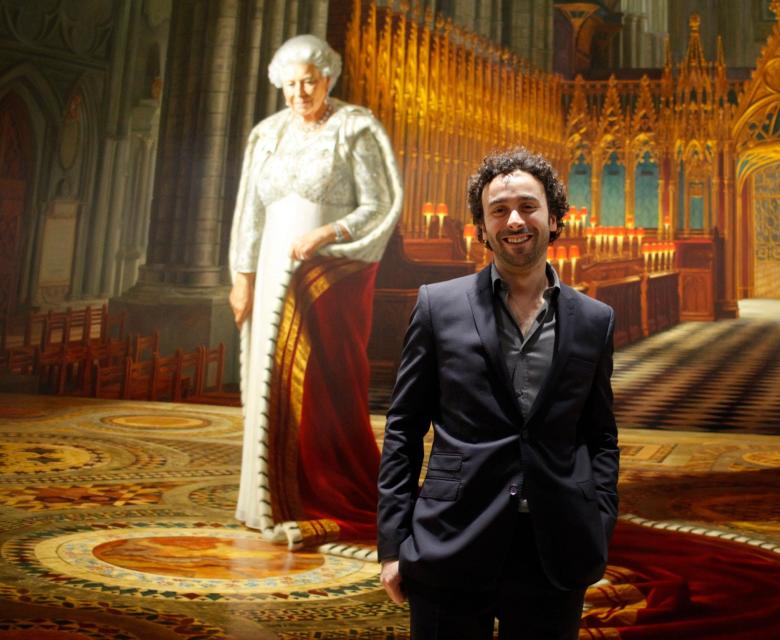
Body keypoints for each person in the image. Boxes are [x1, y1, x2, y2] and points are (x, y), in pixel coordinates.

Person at [377, 148, 619, 639]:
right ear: (481, 228)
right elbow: (403, 429)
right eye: (498, 210)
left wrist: (599, 520)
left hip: (554, 546)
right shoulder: (437, 306)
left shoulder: (595, 320)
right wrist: (392, 544)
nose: (514, 220)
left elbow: (600, 435)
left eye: (528, 207)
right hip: (450, 538)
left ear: (554, 219)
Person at [228, 34, 402, 550]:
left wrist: (328, 235)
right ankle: (265, 501)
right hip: (272, 275)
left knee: (317, 386)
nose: (300, 93)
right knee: (269, 383)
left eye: (310, 81)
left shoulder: (355, 129)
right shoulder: (266, 135)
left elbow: (379, 205)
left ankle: (314, 494)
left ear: (328, 78)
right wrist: (242, 276)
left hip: (326, 279)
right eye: (290, 85)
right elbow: (249, 213)